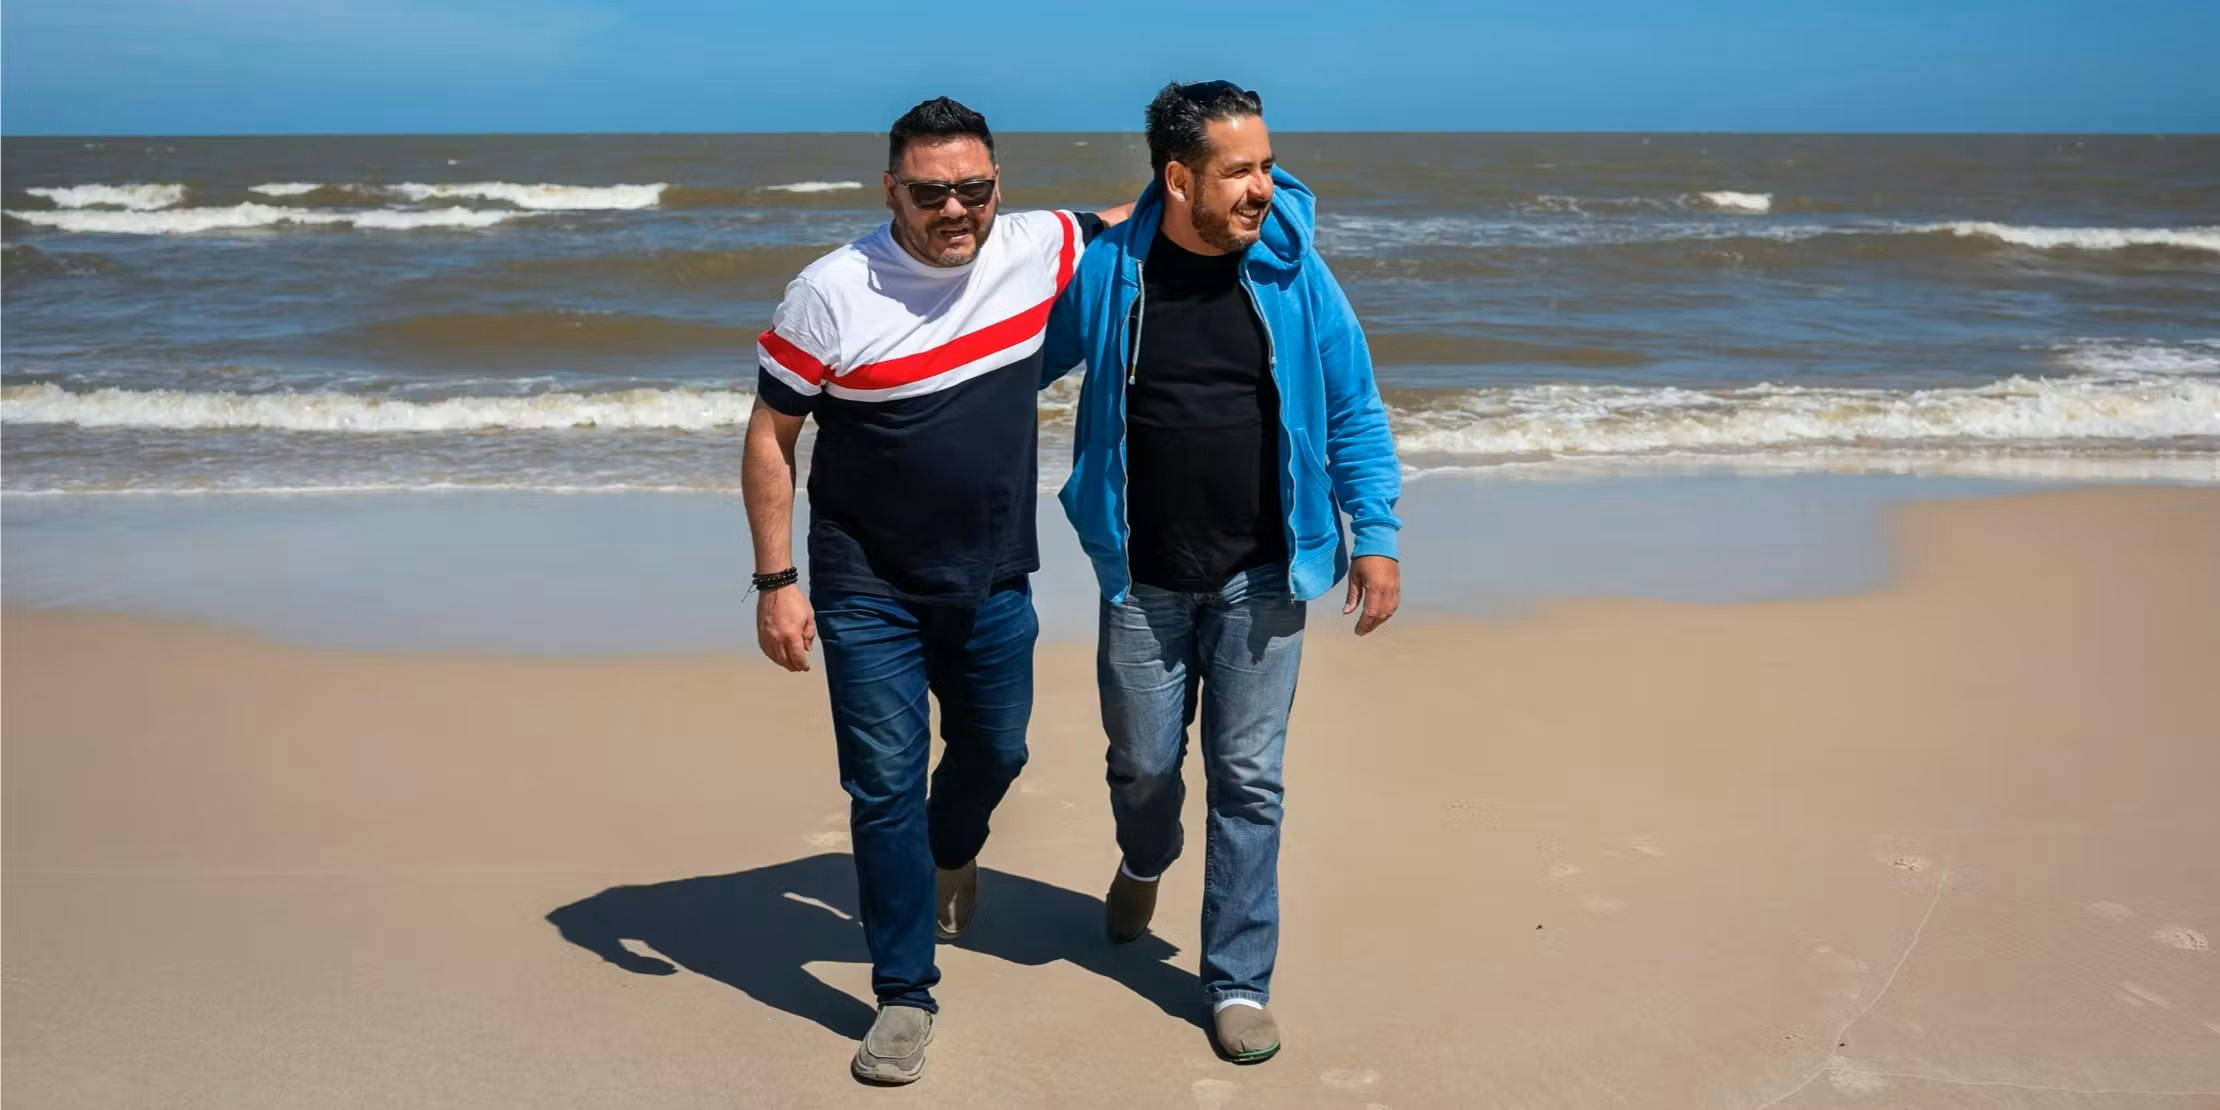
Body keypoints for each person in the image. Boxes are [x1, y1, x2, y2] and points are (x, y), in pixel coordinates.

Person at [741, 95, 1126, 1085]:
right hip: (867, 583)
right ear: (892, 190)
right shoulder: (830, 291)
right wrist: (776, 580)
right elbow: (771, 438)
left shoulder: (1037, 245)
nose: (955, 209)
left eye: (974, 188)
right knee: (881, 788)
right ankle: (903, 995)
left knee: (998, 747)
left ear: (998, 182)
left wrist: (1253, 175)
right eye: (930, 192)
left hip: (995, 573)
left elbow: (1150, 216)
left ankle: (954, 852)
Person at [1042, 79, 1403, 1064]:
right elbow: (1012, 362)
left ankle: (1237, 982)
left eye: (1267, 165)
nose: (1264, 188)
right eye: (1239, 171)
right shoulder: (1111, 271)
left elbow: (1355, 405)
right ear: (1178, 177)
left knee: (1249, 781)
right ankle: (1144, 856)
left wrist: (1375, 533)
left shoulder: (1294, 271)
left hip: (1264, 576)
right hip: (1142, 580)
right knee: (1146, 764)